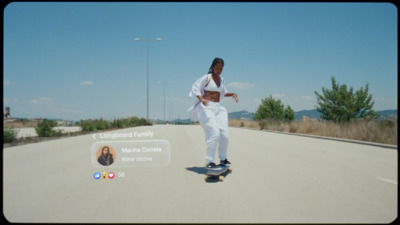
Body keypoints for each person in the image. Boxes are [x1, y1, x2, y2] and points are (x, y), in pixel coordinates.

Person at [188, 58, 238, 169]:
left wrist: (233, 94)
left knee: (224, 135)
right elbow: (195, 88)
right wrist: (201, 99)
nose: (219, 70)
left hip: (218, 109)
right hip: (207, 108)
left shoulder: (222, 80)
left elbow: (224, 92)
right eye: (217, 68)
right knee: (214, 133)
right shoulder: (206, 78)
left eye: (221, 68)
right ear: (212, 67)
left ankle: (223, 159)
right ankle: (210, 161)